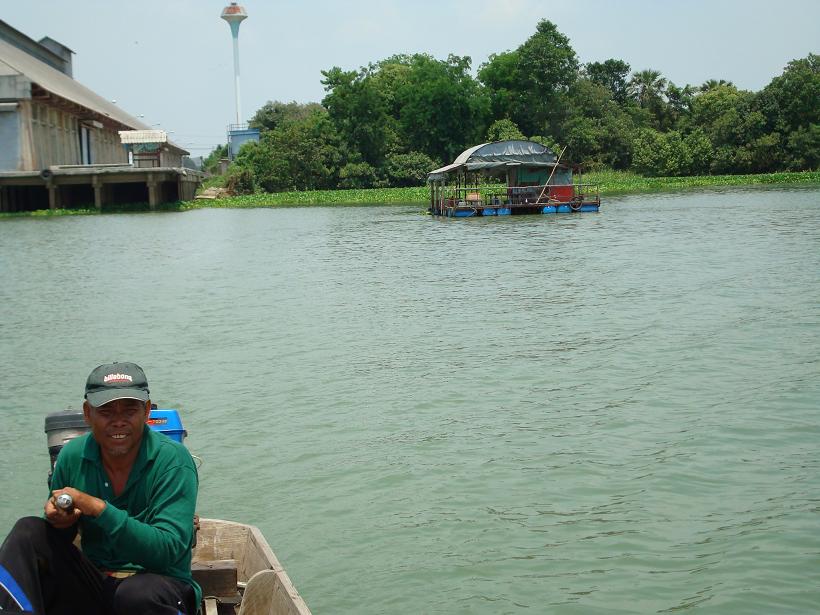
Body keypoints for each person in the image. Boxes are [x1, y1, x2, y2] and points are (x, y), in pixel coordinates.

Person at [0, 362, 201, 614]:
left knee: (134, 595)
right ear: (87, 413)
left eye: (129, 411)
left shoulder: (173, 461)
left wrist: (97, 508)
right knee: (27, 532)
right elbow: (57, 543)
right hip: (96, 581)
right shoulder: (72, 456)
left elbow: (167, 552)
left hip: (160, 586)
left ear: (147, 411)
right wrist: (59, 522)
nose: (118, 421)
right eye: (106, 411)